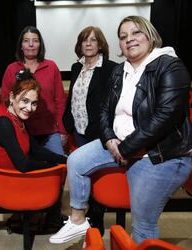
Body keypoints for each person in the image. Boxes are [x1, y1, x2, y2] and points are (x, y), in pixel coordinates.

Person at [50, 15, 192, 244]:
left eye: (136, 33)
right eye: (123, 36)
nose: (129, 39)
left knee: (142, 224)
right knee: (76, 161)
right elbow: (103, 109)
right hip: (120, 145)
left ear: (150, 35)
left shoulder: (170, 65)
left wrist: (127, 148)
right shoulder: (120, 70)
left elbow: (164, 117)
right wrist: (109, 139)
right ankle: (78, 220)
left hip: (158, 154)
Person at [0, 69, 67, 232]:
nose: (29, 108)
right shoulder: (4, 122)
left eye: (34, 103)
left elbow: (35, 149)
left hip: (14, 179)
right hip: (8, 184)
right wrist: (53, 167)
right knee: (56, 175)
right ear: (11, 97)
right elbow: (23, 165)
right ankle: (47, 220)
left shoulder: (16, 118)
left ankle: (42, 219)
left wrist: (63, 159)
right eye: (25, 101)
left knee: (59, 168)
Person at [62, 26, 118, 235]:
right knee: (82, 173)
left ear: (100, 44)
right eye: (84, 40)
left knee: (96, 175)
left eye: (93, 40)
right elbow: (73, 99)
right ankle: (82, 218)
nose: (88, 44)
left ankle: (97, 219)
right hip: (79, 130)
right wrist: (67, 125)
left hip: (98, 132)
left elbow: (112, 103)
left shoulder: (111, 68)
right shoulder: (76, 68)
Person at [1, 26, 67, 156]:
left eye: (35, 40)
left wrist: (63, 131)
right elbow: (5, 102)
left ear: (40, 45)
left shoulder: (51, 66)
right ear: (21, 45)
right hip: (21, 131)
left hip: (50, 131)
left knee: (59, 168)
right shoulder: (11, 69)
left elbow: (60, 101)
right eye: (26, 40)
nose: (31, 44)